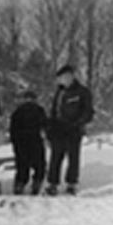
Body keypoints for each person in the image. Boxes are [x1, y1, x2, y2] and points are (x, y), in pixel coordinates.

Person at [45, 64, 94, 195]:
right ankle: (52, 183)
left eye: (66, 77)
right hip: (58, 130)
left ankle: (71, 183)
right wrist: (49, 127)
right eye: (61, 78)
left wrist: (78, 123)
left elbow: (88, 112)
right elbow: (54, 111)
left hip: (74, 129)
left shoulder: (82, 92)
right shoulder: (59, 93)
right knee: (55, 157)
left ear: (72, 76)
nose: (63, 80)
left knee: (73, 157)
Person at [9, 90, 47, 195]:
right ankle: (36, 183)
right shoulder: (39, 110)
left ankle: (20, 184)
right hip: (35, 140)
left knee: (22, 165)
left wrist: (14, 142)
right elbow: (45, 124)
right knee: (39, 165)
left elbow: (12, 129)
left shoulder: (18, 111)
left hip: (21, 141)